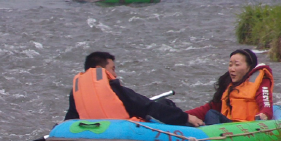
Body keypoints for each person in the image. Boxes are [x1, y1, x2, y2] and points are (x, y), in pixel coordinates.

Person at [65, 51, 204, 126]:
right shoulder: (115, 88)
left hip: (93, 132)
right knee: (165, 104)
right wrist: (186, 116)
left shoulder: (76, 92)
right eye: (112, 69)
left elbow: (70, 119)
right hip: (123, 132)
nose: (115, 74)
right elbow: (148, 107)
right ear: (100, 70)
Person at [186, 49, 274, 125]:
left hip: (248, 126)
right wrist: (184, 116)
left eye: (237, 65)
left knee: (212, 114)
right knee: (191, 120)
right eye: (230, 65)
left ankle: (211, 140)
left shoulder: (261, 81)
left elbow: (266, 105)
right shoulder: (228, 84)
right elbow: (211, 107)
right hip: (229, 125)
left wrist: (264, 114)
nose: (232, 69)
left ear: (249, 67)